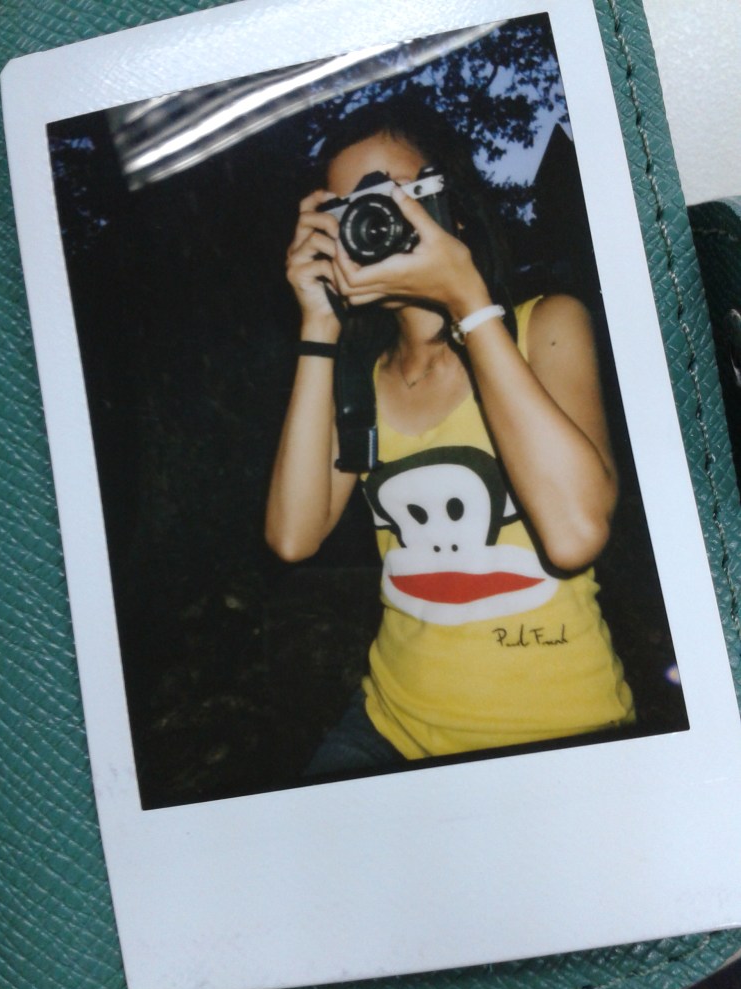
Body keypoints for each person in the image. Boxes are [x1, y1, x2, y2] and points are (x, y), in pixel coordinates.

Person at [265, 96, 635, 776]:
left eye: (391, 197)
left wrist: (467, 298)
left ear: (451, 209)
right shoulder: (361, 380)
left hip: (561, 731)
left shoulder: (545, 326)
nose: (371, 221)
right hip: (387, 726)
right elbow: (294, 536)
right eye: (347, 210)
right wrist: (318, 323)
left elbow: (576, 535)